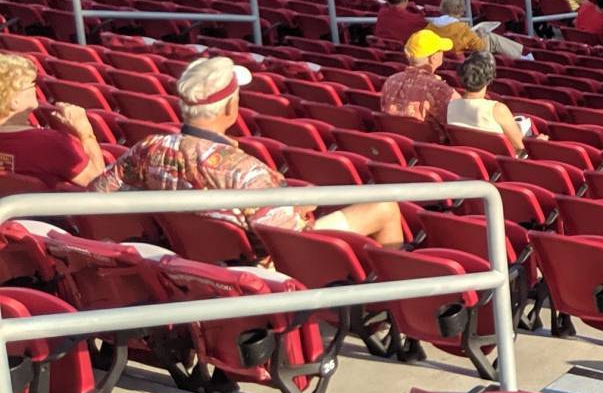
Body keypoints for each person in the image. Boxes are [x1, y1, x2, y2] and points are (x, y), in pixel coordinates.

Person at [94, 56, 404, 244]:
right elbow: (290, 238)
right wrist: (297, 210)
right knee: (384, 206)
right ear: (230, 108)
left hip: (190, 252)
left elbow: (99, 192)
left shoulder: (148, 148)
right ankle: (395, 309)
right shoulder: (245, 172)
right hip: (260, 263)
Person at [0, 52, 106, 187]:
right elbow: (99, 183)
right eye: (32, 85)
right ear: (14, 101)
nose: (36, 89)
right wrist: (85, 132)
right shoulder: (49, 143)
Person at [444, 50, 528, 154]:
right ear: (489, 79)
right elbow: (521, 146)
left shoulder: (451, 106)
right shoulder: (497, 109)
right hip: (500, 161)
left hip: (472, 160)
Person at [381, 30, 460, 122]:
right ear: (433, 58)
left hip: (395, 131)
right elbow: (462, 115)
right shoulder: (439, 89)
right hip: (429, 132)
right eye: (441, 50)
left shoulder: (390, 81)